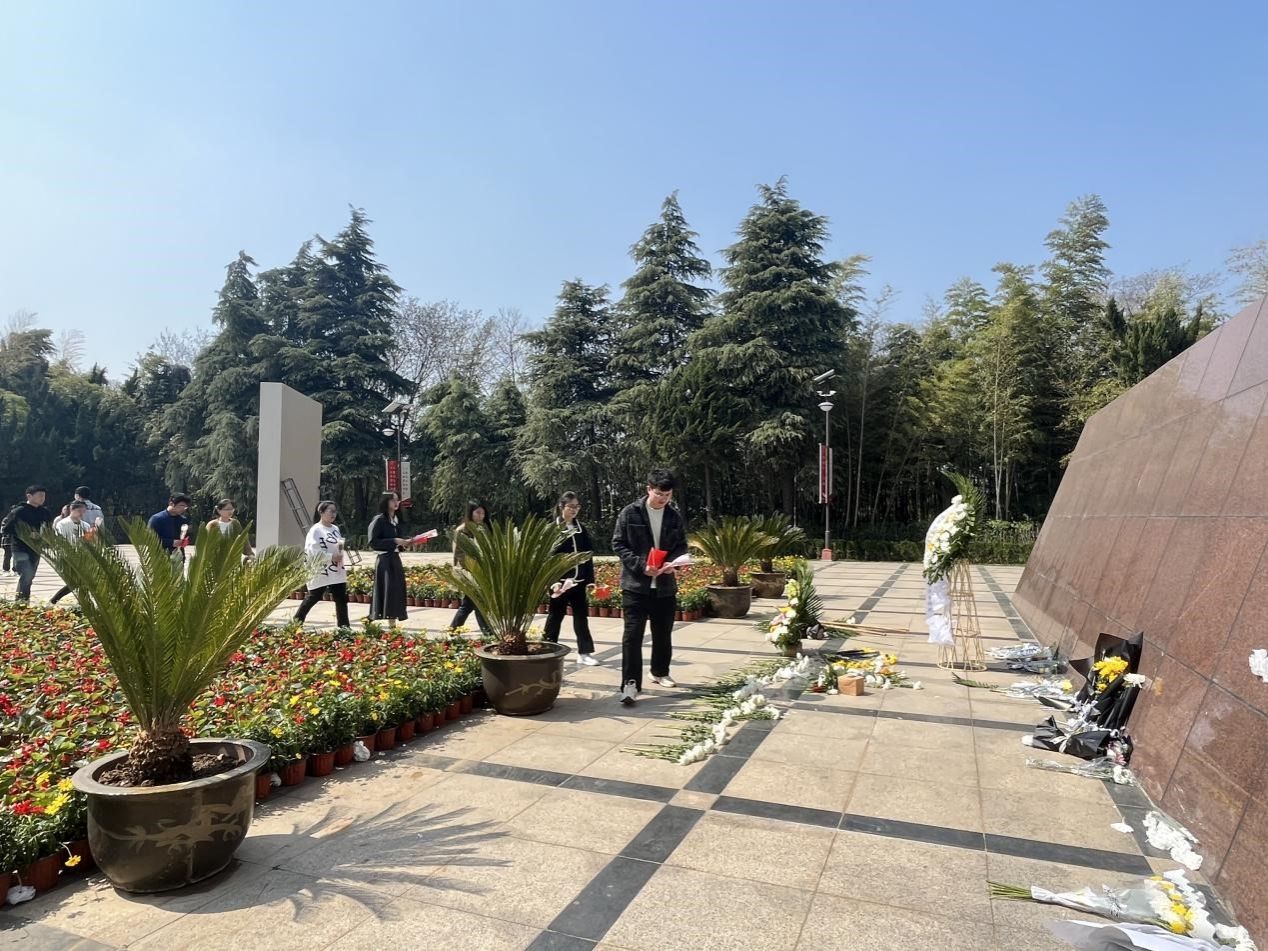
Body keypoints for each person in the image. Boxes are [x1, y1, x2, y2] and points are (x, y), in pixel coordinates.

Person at [611, 469, 689, 705]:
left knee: (663, 633)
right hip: (636, 586)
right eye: (659, 494)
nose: (663, 499)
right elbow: (618, 543)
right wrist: (641, 566)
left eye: (667, 495)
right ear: (648, 489)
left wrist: (673, 563)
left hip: (664, 586)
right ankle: (630, 684)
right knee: (632, 636)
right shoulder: (630, 512)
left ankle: (660, 671)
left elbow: (681, 546)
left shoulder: (674, 516)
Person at [543, 491, 597, 665]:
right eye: (571, 506)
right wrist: (552, 582)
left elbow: (588, 555)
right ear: (561, 507)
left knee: (581, 617)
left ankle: (584, 653)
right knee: (555, 616)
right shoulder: (552, 529)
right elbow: (547, 558)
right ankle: (547, 649)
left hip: (578, 582)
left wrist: (590, 581)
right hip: (559, 584)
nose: (574, 510)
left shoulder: (581, 529)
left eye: (577, 507)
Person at [294, 501, 350, 629]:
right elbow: (312, 552)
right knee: (313, 596)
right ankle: (295, 623)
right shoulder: (315, 530)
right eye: (331, 511)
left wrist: (340, 552)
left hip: (336, 569)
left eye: (335, 511)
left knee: (341, 598)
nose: (333, 514)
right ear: (321, 512)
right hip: (322, 570)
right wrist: (330, 557)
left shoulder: (335, 528)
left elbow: (339, 543)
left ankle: (344, 628)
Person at [4, 486, 54, 602]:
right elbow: (6, 528)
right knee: (26, 574)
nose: (42, 498)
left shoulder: (45, 512)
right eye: (39, 495)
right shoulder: (19, 511)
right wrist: (26, 534)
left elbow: (49, 529)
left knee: (29, 577)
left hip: (36, 549)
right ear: (29, 496)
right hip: (20, 549)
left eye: (44, 496)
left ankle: (23, 602)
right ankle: (21, 602)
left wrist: (47, 538)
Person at [368, 492, 411, 623]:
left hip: (395, 559)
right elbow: (373, 542)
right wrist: (394, 541)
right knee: (387, 590)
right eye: (393, 500)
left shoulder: (396, 521)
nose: (396, 503)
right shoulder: (379, 520)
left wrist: (405, 543)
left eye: (397, 500)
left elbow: (398, 542)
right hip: (384, 561)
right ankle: (381, 622)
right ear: (385, 501)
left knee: (396, 590)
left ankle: (392, 623)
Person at [449, 502, 488, 633]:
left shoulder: (482, 529)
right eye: (478, 512)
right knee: (474, 602)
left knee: (471, 603)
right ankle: (487, 632)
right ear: (470, 513)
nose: (481, 516)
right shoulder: (462, 531)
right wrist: (472, 567)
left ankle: (453, 630)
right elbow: (459, 554)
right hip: (468, 572)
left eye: (483, 513)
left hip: (480, 572)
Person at [50, 500, 90, 605]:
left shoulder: (85, 525)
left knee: (83, 581)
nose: (81, 514)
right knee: (75, 581)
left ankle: (83, 604)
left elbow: (89, 541)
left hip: (82, 556)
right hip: (67, 556)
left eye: (83, 511)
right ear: (72, 510)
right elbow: (61, 540)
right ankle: (55, 600)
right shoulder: (62, 524)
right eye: (79, 511)